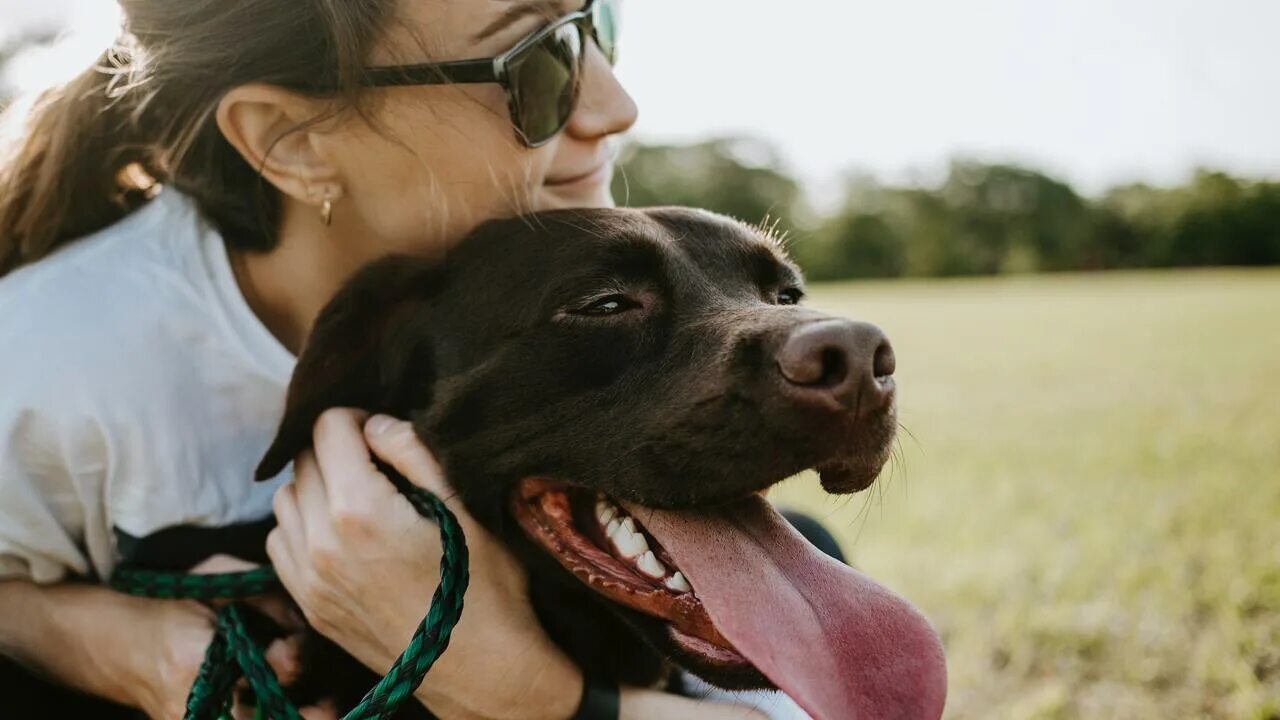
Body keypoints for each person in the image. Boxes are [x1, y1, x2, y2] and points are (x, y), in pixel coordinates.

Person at [0, 1, 830, 718]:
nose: (615, 105)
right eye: (534, 63)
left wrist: (522, 693)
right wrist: (108, 644)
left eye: (595, 23)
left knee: (809, 540)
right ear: (292, 141)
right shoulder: (48, 359)